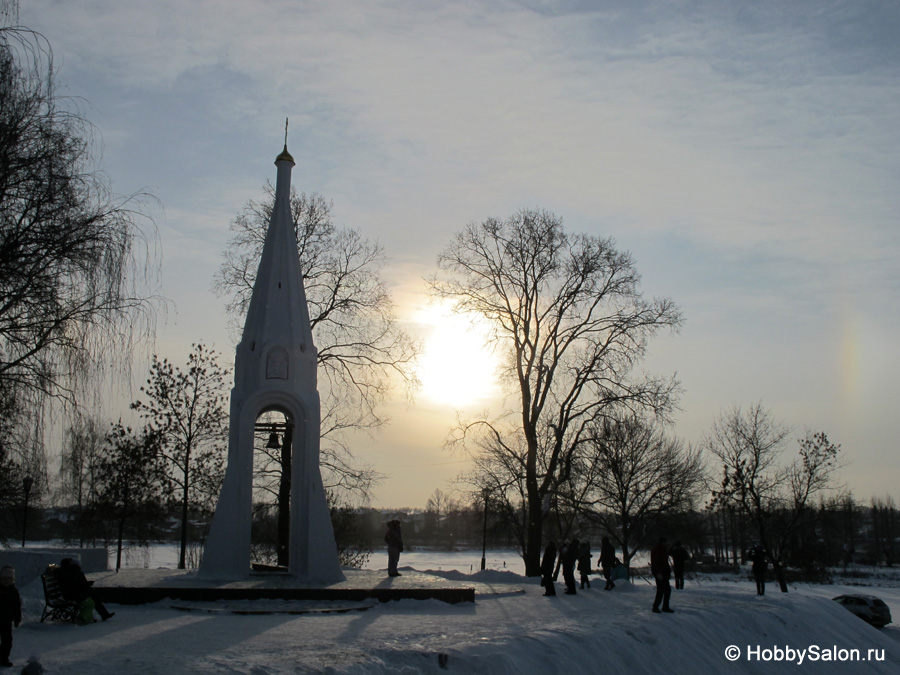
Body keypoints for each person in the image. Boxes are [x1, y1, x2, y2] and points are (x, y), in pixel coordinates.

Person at [0, 565, 22, 668]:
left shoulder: (14, 591)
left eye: (9, 579)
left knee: (7, 641)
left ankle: (4, 658)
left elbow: (17, 606)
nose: (6, 581)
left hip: (7, 620)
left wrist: (17, 617)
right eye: (4, 578)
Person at [650, 537, 673, 613]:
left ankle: (664, 606)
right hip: (660, 573)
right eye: (664, 542)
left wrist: (668, 572)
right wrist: (657, 573)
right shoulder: (657, 551)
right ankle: (656, 607)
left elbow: (665, 563)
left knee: (666, 590)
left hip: (664, 573)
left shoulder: (663, 550)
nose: (665, 544)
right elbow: (656, 563)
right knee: (661, 590)